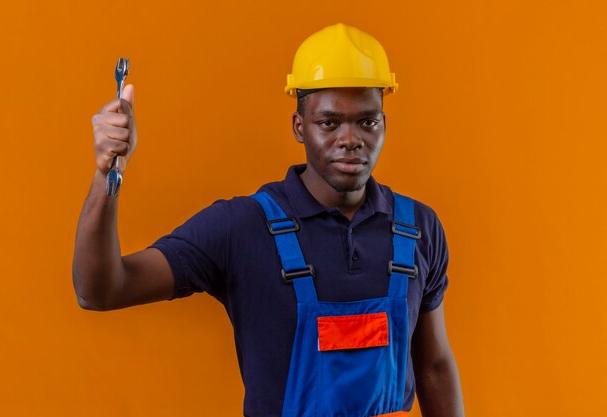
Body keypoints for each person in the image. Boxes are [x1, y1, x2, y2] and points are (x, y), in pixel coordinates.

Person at [73, 23, 465, 417]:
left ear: (384, 124)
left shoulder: (418, 229)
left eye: (367, 121)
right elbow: (102, 290)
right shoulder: (241, 228)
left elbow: (433, 367)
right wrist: (107, 173)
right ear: (299, 127)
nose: (351, 138)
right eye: (329, 123)